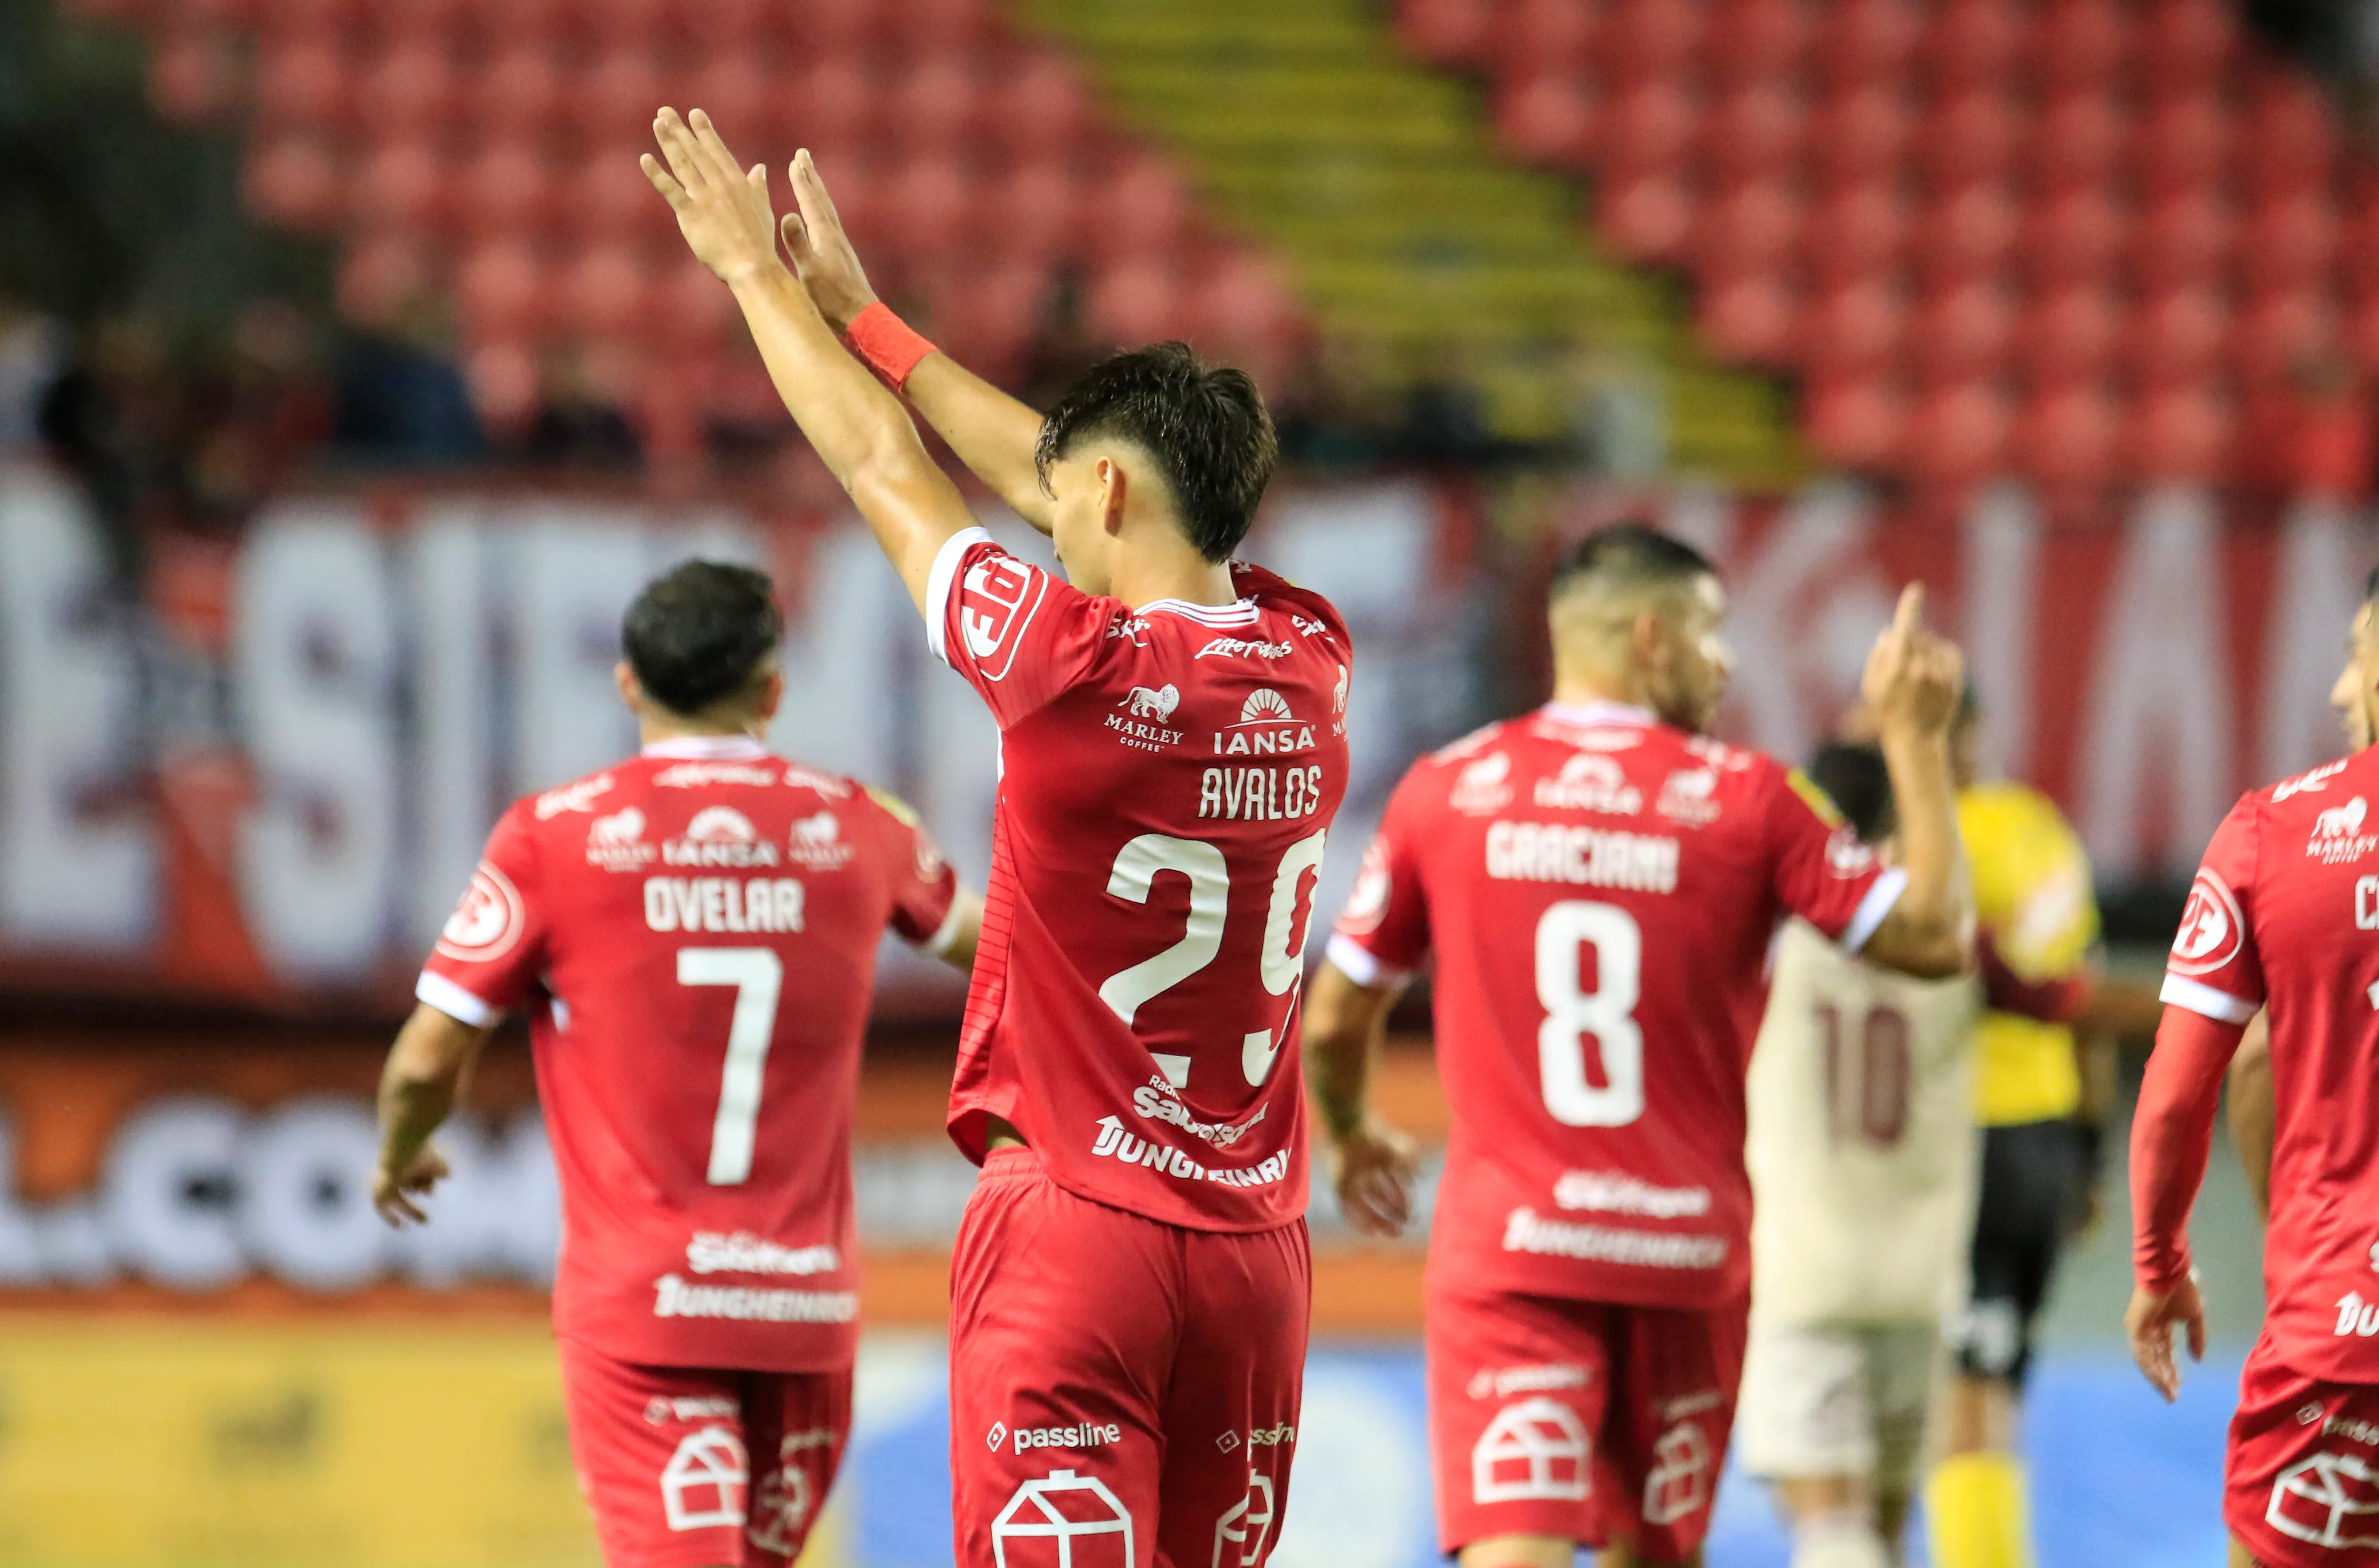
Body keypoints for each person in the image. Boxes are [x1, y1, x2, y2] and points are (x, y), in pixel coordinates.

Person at [642, 109, 1353, 1567]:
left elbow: (886, 476)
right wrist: (875, 319)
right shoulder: (1311, 656)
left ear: (1103, 494)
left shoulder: (1066, 660)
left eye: (1067, 501)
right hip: (1258, 1256)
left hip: (1078, 1225)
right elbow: (1059, 474)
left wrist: (757, 283)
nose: (1047, 524)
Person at [1304, 525, 1973, 1568]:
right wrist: (1919, 747)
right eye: (1713, 634)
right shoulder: (1754, 799)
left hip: (1514, 1256)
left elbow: (1340, 1016)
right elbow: (1936, 941)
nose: (1728, 662)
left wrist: (1349, 1131)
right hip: (1685, 1261)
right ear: (1652, 640)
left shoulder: (1448, 788)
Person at [373, 558, 982, 1568]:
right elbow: (996, 942)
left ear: (626, 683)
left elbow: (429, 1056)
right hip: (805, 1314)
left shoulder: (554, 838)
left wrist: (402, 1148)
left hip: (646, 1313)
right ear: (773, 692)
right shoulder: (861, 829)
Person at [2128, 567, 2379, 1568]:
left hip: (2342, 1328)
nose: (2335, 692)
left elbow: (2181, 1098)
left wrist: (2160, 1266)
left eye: (2356, 657)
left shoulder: (2271, 835)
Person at [1737, 741, 1985, 1568]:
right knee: (1884, 1532)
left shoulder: (1775, 940)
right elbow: (2060, 993)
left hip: (1801, 1273)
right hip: (1920, 1278)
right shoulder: (1954, 946)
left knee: (1830, 1534)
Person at [1928, 688, 2161, 1568]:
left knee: (1964, 1392)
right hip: (2044, 1138)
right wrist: (2092, 1153)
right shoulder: (2043, 834)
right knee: (2001, 1375)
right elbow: (2085, 997)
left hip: (1964, 1146)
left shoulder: (1924, 840)